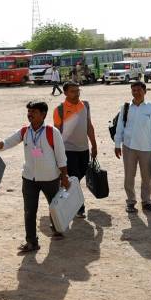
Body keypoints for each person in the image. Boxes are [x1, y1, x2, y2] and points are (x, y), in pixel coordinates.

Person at [0, 101, 69, 253]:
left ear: (43, 114)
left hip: (50, 177)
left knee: (55, 207)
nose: (30, 114)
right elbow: (5, 144)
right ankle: (31, 242)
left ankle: (58, 229)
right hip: (29, 178)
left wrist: (64, 177)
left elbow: (61, 157)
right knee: (29, 211)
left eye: (34, 112)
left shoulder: (52, 132)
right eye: (29, 111)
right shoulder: (24, 131)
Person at [114, 81, 151, 213]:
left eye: (139, 90)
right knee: (129, 176)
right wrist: (117, 145)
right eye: (133, 90)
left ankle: (146, 202)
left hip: (146, 148)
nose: (136, 93)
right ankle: (130, 202)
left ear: (145, 91)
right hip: (128, 147)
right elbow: (120, 127)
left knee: (146, 177)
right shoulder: (125, 107)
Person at [53, 81, 97, 218]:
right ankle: (79, 206)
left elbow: (89, 126)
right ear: (65, 93)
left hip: (84, 148)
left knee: (81, 174)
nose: (76, 94)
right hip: (67, 149)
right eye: (72, 91)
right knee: (75, 177)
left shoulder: (85, 105)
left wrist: (94, 144)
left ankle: (65, 190)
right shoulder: (59, 109)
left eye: (78, 91)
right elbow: (56, 132)